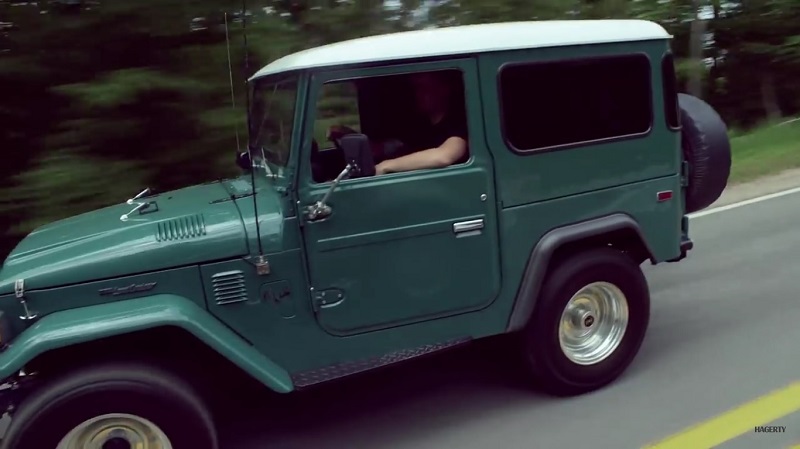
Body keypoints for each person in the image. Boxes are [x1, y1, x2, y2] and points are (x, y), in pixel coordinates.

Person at [327, 71, 469, 175]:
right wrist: (351, 137)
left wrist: (386, 166)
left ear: (444, 90)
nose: (418, 94)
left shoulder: (457, 122)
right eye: (416, 89)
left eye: (424, 88)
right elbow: (390, 147)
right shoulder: (421, 125)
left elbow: (444, 156)